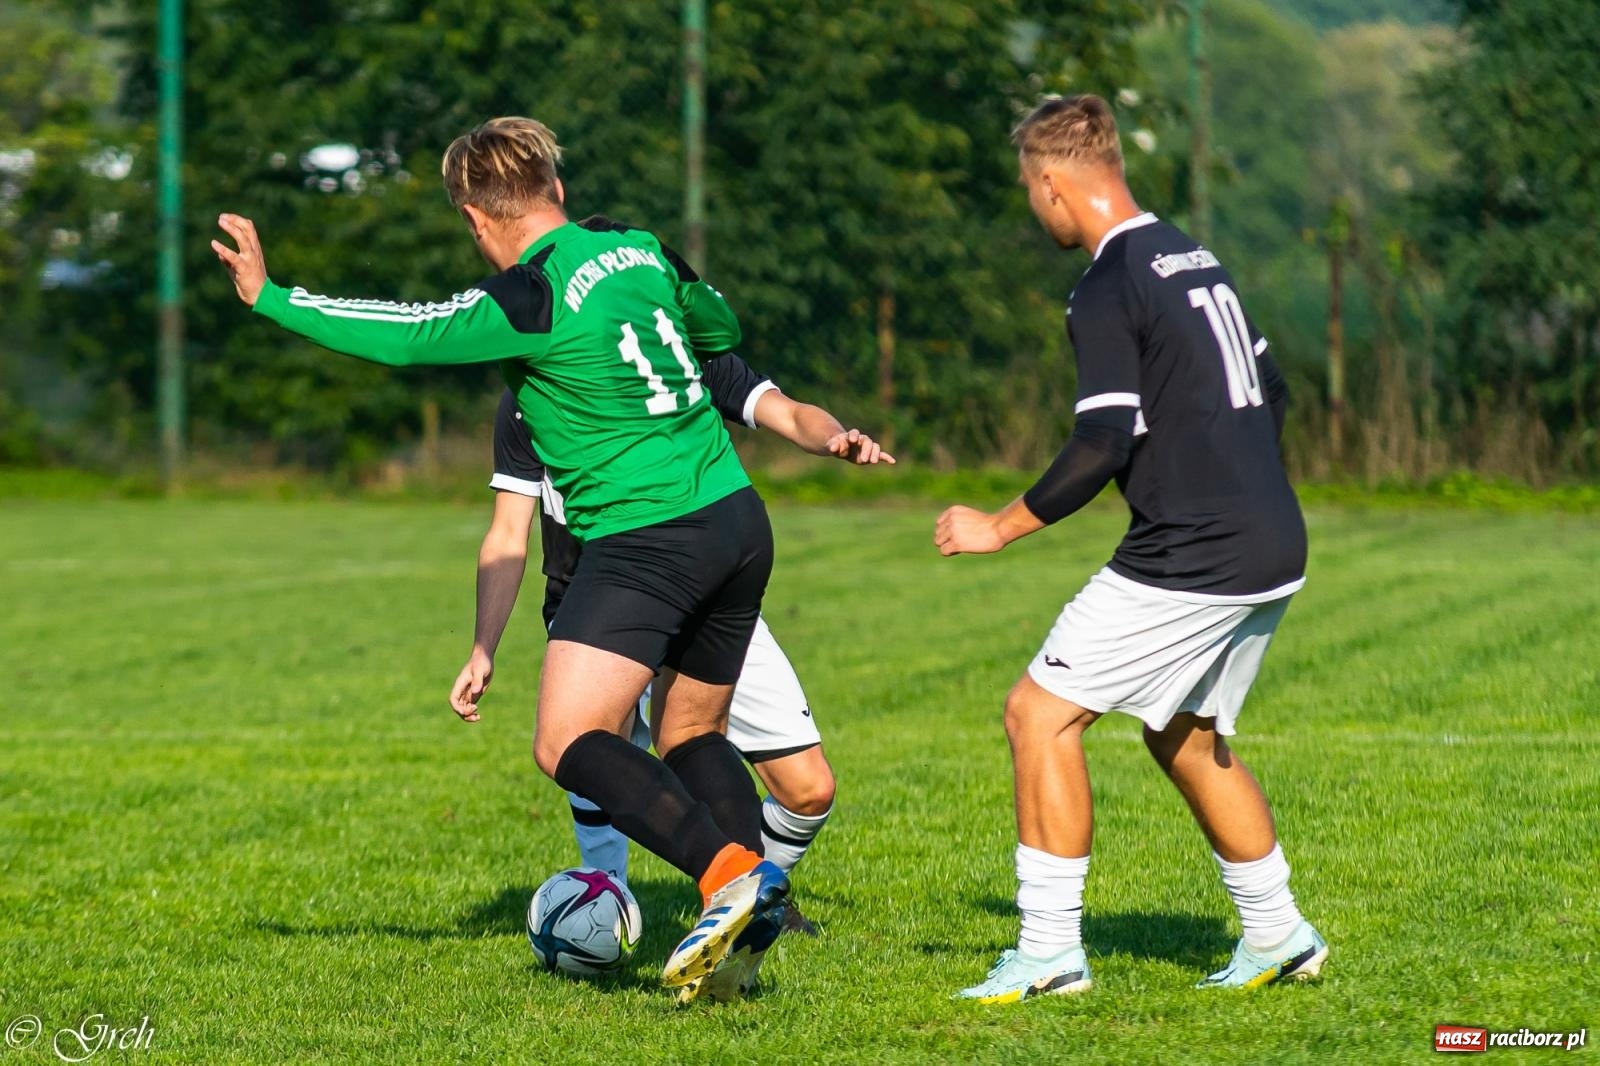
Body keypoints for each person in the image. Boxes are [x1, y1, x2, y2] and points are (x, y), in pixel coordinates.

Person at [212, 116, 796, 1002]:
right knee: (688, 734)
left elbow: (406, 332)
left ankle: (728, 881)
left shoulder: (529, 297)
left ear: (475, 220)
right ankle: (749, 917)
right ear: (556, 191)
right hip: (737, 520)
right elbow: (717, 319)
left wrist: (272, 297)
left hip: (648, 535)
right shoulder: (634, 246)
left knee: (569, 738)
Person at [934, 95, 1326, 1003]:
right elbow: (1271, 385)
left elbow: (1101, 443)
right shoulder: (1194, 254)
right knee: (1183, 734)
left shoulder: (1109, 283)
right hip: (1271, 537)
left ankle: (1048, 953)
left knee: (1040, 715)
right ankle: (1279, 934)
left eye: (1033, 193)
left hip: (1196, 553)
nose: (1037, 210)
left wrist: (997, 526)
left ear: (1052, 183)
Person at [453, 355, 892, 921]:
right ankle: (610, 903)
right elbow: (508, 530)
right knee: (587, 746)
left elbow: (788, 412)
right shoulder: (533, 392)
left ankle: (756, 893)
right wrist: (483, 646)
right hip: (594, 601)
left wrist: (835, 438)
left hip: (701, 589)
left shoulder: (683, 356)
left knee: (808, 789)